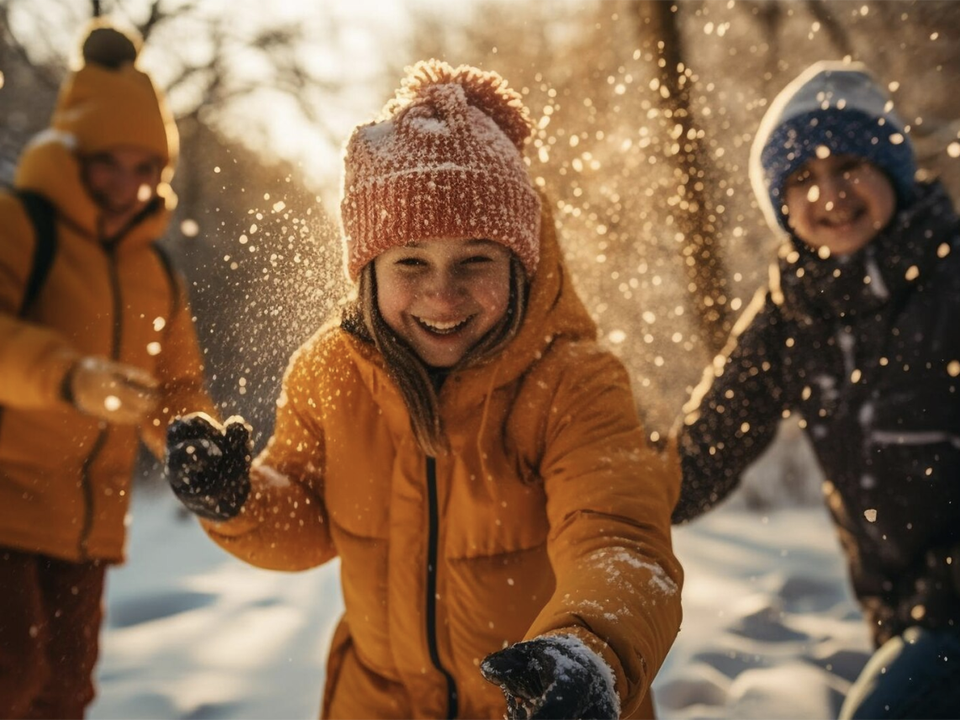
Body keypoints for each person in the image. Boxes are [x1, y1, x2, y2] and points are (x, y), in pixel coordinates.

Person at [164, 60, 682, 720]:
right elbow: (305, 518)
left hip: (542, 703)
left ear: (522, 266)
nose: (443, 292)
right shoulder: (331, 373)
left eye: (476, 260)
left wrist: (588, 651)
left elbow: (620, 541)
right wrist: (236, 498)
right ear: (369, 273)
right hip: (377, 700)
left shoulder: (575, 384)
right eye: (411, 260)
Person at [673, 60, 960, 719]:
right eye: (801, 179)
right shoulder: (792, 315)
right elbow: (695, 463)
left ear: (891, 169)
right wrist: (592, 477)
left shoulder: (950, 279)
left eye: (847, 167)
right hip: (900, 620)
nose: (828, 194)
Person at [0, 21, 216, 719]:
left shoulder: (155, 270)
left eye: (145, 167)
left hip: (88, 527)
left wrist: (199, 442)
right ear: (74, 154)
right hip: (5, 508)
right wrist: (72, 376)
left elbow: (177, 388)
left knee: (64, 695)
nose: (128, 184)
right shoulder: (20, 224)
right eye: (108, 164)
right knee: (11, 674)